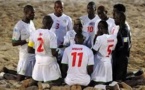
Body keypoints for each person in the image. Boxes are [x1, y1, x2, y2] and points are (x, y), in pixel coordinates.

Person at [27, 15, 61, 85]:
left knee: (35, 80)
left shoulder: (34, 33)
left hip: (38, 60)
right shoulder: (52, 34)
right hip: (49, 61)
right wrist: (57, 53)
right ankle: (46, 85)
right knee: (58, 81)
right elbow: (53, 53)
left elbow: (29, 50)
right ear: (51, 24)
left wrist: (38, 51)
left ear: (42, 22)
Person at [10, 5, 36, 81]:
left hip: (32, 53)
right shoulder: (18, 26)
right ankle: (4, 74)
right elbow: (14, 43)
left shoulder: (31, 23)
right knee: (19, 79)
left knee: (29, 76)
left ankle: (7, 70)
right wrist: (26, 40)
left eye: (34, 13)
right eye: (31, 13)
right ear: (25, 13)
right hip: (24, 55)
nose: (33, 15)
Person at [91, 21, 117, 86]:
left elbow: (93, 51)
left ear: (100, 28)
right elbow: (113, 50)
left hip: (100, 65)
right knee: (108, 82)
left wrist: (96, 36)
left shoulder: (100, 38)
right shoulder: (114, 38)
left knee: (95, 84)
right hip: (109, 63)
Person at [112, 11, 131, 81]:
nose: (114, 19)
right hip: (120, 57)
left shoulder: (124, 30)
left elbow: (125, 44)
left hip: (121, 58)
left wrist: (116, 50)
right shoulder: (121, 28)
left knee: (119, 80)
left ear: (120, 19)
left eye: (116, 18)